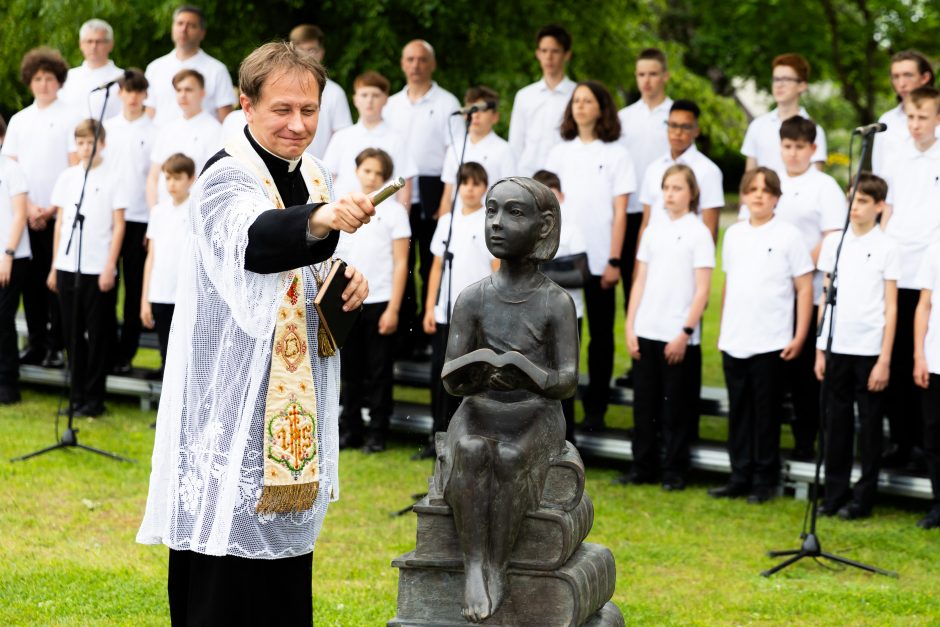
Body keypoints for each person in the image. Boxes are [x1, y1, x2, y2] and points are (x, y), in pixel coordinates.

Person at [137, 42, 372, 625]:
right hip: (226, 407)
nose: (299, 125)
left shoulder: (310, 171)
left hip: (289, 409)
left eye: (310, 111)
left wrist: (346, 282)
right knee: (223, 568)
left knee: (281, 580)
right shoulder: (223, 175)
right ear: (245, 104)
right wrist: (320, 218)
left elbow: (303, 274)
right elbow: (256, 243)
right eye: (283, 110)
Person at [440, 176, 578, 622]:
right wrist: (472, 377)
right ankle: (474, 563)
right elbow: (450, 375)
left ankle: (497, 564)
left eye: (514, 213)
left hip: (535, 411)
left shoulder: (555, 303)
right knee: (469, 449)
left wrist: (531, 375)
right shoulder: (472, 297)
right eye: (492, 210)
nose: (497, 222)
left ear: (544, 226)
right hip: (481, 407)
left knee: (512, 457)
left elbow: (567, 380)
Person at [743, 115, 848, 459]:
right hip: (772, 293)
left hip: (809, 289)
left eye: (800, 147)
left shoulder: (825, 186)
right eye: (787, 147)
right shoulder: (771, 184)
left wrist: (798, 263)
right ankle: (771, 442)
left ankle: (806, 442)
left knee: (804, 372)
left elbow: (833, 235)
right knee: (774, 372)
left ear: (813, 149)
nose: (793, 154)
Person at [710, 167, 813, 504]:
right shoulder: (736, 234)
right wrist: (724, 328)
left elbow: (804, 288)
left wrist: (799, 335)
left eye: (766, 190)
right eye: (752, 189)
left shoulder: (789, 236)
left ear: (776, 198)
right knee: (739, 411)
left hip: (771, 340)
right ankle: (739, 474)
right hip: (736, 338)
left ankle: (764, 480)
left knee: (766, 413)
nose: (758, 195)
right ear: (743, 195)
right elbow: (730, 284)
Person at [546, 80, 635, 431]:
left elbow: (620, 211)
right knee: (561, 343)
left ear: (602, 108)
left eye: (588, 100)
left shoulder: (617, 154)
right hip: (562, 262)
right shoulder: (559, 153)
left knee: (600, 338)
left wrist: (614, 260)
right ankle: (558, 415)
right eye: (576, 101)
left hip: (599, 261)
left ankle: (596, 410)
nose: (580, 106)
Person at [620, 164, 714, 490]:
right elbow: (640, 279)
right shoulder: (651, 231)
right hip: (647, 328)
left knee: (676, 407)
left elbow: (703, 289)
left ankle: (674, 470)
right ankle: (641, 466)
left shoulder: (699, 233)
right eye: (667, 188)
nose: (670, 194)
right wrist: (631, 326)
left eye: (677, 188)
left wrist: (685, 332)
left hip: (678, 334)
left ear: (692, 194)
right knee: (644, 404)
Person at [814, 173, 898, 520]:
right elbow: (825, 295)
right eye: (852, 199)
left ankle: (864, 497)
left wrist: (884, 359)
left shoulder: (887, 246)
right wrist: (820, 347)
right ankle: (834, 492)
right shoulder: (835, 242)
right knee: (836, 422)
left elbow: (891, 306)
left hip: (869, 347)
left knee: (869, 423)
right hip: (837, 343)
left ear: (879, 206)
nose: (855, 207)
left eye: (863, 201)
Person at [384, 39, 460, 359]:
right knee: (401, 264)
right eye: (410, 59)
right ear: (403, 64)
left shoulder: (447, 103)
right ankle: (404, 337)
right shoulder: (391, 105)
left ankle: (431, 334)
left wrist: (446, 199)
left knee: (430, 263)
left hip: (432, 188)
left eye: (421, 60)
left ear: (432, 64)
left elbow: (454, 154)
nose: (415, 65)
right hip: (396, 191)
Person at [2, 47, 76, 369]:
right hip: (25, 214)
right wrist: (31, 208)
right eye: (37, 79)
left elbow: (74, 166)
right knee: (30, 286)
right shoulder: (19, 121)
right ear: (29, 82)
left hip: (58, 215)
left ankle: (56, 346)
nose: (43, 84)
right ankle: (35, 342)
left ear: (58, 81)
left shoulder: (71, 116)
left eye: (49, 78)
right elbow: (12, 166)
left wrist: (51, 209)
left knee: (55, 283)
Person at [47, 119, 126, 417]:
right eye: (80, 142)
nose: (85, 147)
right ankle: (75, 395)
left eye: (90, 142)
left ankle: (95, 399)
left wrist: (109, 266)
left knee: (97, 334)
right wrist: (55, 266)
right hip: (68, 266)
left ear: (101, 144)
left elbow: (118, 226)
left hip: (97, 268)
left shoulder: (113, 177)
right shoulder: (67, 177)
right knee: (71, 333)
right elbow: (60, 225)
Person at [419, 162, 497, 459]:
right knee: (441, 373)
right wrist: (430, 307)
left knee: (473, 375)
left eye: (476, 184)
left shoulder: (488, 222)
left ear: (484, 188)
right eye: (464, 183)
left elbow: (495, 267)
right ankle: (437, 435)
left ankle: (470, 437)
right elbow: (437, 266)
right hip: (446, 311)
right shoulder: (447, 221)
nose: (469, 189)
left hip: (478, 314)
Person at [880, 85, 940, 470]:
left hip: (930, 270)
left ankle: (925, 444)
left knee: (926, 361)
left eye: (923, 118)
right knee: (898, 359)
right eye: (911, 117)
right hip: (899, 267)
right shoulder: (897, 154)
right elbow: (889, 208)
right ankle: (901, 442)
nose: (915, 125)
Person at [334, 148, 410, 453]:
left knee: (379, 372)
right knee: (350, 370)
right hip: (348, 298)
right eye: (367, 171)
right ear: (357, 171)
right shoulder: (344, 206)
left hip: (380, 299)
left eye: (378, 174)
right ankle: (349, 428)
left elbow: (401, 261)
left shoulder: (394, 212)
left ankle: (378, 432)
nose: (372, 177)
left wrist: (393, 307)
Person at [617, 48, 673, 345]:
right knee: (632, 283)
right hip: (628, 211)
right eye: (641, 75)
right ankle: (636, 349)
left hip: (663, 212)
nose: (647, 81)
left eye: (653, 74)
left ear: (665, 75)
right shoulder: (623, 118)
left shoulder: (675, 117)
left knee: (661, 283)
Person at [105, 69, 157, 374]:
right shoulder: (107, 128)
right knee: (107, 284)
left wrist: (153, 224)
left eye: (139, 91)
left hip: (140, 217)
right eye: (129, 90)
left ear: (145, 95)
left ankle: (126, 353)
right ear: (120, 93)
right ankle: (107, 350)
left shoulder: (154, 131)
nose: (134, 97)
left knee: (135, 286)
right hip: (111, 217)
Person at [532, 169, 587, 443]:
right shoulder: (528, 229)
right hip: (531, 315)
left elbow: (580, 275)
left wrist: (540, 270)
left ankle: (567, 442)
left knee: (563, 381)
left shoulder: (573, 228)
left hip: (567, 315)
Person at [322, 70, 416, 204]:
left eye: (376, 95)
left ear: (385, 100)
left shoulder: (397, 139)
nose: (369, 101)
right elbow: (328, 179)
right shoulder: (341, 137)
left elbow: (405, 186)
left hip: (383, 215)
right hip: (344, 212)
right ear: (355, 99)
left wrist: (402, 217)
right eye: (364, 95)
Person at [637, 99, 723, 242]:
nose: (677, 132)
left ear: (696, 130)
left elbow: (710, 227)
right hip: (655, 254)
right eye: (673, 125)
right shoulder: (653, 169)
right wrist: (639, 263)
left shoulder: (708, 171)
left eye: (685, 127)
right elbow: (646, 223)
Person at [140, 153, 195, 371]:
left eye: (178, 178)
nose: (171, 184)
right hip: (161, 292)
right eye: (168, 178)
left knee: (184, 352)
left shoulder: (195, 210)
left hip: (184, 293)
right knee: (165, 349)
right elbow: (151, 256)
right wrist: (145, 299)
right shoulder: (158, 211)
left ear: (191, 179)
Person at [144, 4, 235, 126]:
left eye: (191, 25)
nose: (184, 29)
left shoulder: (217, 70)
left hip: (203, 142)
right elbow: (149, 113)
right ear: (173, 27)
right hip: (161, 142)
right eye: (180, 23)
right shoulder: (154, 68)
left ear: (202, 33)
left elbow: (226, 120)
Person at [741, 53, 827, 176]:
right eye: (776, 79)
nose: (779, 85)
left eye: (786, 79)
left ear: (802, 86)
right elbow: (749, 177)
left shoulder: (814, 130)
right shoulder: (758, 125)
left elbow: (816, 179)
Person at [146, 69, 222, 207]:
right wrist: (154, 212)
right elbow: (153, 177)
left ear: (202, 93)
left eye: (188, 90)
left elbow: (215, 180)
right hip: (165, 213)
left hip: (195, 214)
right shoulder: (167, 130)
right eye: (179, 90)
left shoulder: (214, 130)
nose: (182, 95)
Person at [438, 86, 517, 216]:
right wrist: (443, 226)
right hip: (458, 222)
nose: (476, 114)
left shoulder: (504, 150)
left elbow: (511, 196)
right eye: (472, 109)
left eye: (482, 109)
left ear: (495, 117)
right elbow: (447, 197)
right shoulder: (454, 148)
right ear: (465, 114)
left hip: (491, 224)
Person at [508, 24, 576, 176]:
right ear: (537, 53)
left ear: (567, 55)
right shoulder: (524, 96)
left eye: (555, 51)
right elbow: (515, 144)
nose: (548, 57)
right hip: (527, 176)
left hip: (565, 175)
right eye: (544, 51)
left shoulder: (577, 95)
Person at [0, 115, 30, 405]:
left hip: (11, 256)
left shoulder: (11, 169)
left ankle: (8, 383)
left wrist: (7, 255)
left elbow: (20, 214)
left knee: (3, 319)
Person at [288, 24, 352, 158]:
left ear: (321, 53)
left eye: (311, 50)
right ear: (292, 52)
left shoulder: (335, 93)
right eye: (301, 50)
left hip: (322, 170)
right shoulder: (282, 88)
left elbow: (343, 138)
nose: (306, 56)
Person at [872, 50, 935, 176]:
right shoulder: (887, 120)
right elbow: (878, 170)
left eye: (908, 75)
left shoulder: (936, 116)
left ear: (925, 78)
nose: (901, 84)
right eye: (896, 77)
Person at [913, 240, 940, 530]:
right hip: (935, 360)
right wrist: (919, 354)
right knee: (934, 436)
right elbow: (924, 306)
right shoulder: (934, 250)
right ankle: (938, 503)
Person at [58, 19, 124, 122]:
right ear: (81, 44)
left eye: (99, 41)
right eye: (89, 41)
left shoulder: (123, 78)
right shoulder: (67, 77)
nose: (94, 46)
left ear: (110, 44)